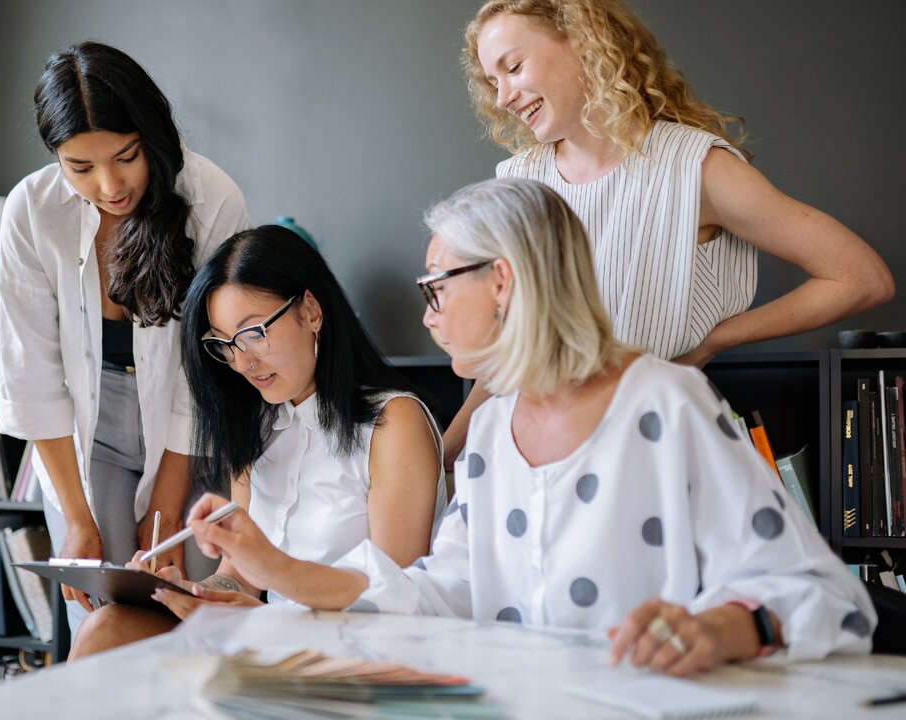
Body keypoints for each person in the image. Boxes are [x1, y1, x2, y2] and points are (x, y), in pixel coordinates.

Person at [182, 179, 876, 677]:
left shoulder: (667, 402)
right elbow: (437, 590)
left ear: (503, 282)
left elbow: (827, 597)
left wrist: (722, 627)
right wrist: (273, 568)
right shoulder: (488, 435)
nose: (428, 314)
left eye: (437, 288)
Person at [439, 0, 894, 463]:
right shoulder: (517, 185)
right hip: (528, 458)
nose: (502, 98)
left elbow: (860, 278)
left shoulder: (695, 170)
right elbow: (508, 361)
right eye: (493, 83)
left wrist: (715, 339)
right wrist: (443, 458)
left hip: (647, 452)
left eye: (513, 67)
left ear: (582, 39)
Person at [67, 225, 447, 658]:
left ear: (311, 311)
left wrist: (263, 617)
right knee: (107, 626)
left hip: (356, 644)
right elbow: (238, 576)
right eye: (225, 344)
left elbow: (393, 594)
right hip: (272, 633)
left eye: (254, 333)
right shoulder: (258, 426)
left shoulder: (393, 422)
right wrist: (183, 591)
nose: (242, 361)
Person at [0, 41, 250, 632]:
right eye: (80, 168)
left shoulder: (213, 198)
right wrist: (77, 516)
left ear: (151, 135)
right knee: (102, 613)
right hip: (88, 433)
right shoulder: (31, 211)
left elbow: (201, 370)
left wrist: (165, 503)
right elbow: (29, 374)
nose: (109, 185)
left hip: (192, 432)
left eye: (126, 157)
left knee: (184, 610)